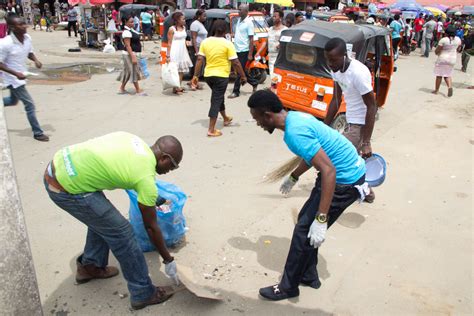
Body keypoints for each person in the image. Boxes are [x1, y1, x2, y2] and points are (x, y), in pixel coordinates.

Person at [248, 90, 366, 301]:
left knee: (304, 230)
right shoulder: (296, 117)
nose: (257, 124)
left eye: (257, 119)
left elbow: (329, 171)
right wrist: (293, 176)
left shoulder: (294, 133)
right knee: (305, 224)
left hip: (343, 181)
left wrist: (322, 219)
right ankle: (309, 275)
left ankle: (288, 287)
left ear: (267, 115)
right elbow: (313, 155)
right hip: (350, 172)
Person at [43, 132, 183, 310]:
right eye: (172, 166)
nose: (170, 171)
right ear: (164, 158)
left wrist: (151, 196)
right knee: (123, 233)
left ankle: (90, 266)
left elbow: (122, 171)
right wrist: (168, 259)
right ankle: (143, 293)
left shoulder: (134, 140)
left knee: (104, 219)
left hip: (60, 165)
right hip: (65, 188)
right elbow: (151, 227)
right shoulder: (144, 177)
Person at [192, 20, 247, 137]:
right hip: (221, 76)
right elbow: (236, 62)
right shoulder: (228, 44)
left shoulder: (205, 42)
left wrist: (195, 76)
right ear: (225, 31)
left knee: (218, 96)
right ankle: (211, 129)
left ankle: (226, 118)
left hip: (208, 76)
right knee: (216, 100)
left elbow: (200, 60)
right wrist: (243, 76)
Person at [0, 16, 49, 141]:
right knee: (30, 104)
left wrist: (36, 60)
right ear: (12, 27)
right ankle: (37, 132)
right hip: (12, 79)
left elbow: (29, 52)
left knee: (12, 101)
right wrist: (15, 73)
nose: (24, 26)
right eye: (20, 25)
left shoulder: (27, 38)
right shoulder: (6, 43)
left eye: (24, 24)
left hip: (22, 75)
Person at [228, 4, 258, 99]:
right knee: (241, 70)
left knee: (238, 70)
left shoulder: (249, 23)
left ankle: (236, 91)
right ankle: (254, 82)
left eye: (240, 10)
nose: (238, 11)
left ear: (246, 11)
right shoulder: (238, 21)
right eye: (238, 9)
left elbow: (251, 39)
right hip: (236, 49)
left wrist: (250, 53)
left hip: (244, 50)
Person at [167, 11, 193, 95]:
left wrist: (187, 43)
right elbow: (169, 43)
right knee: (175, 70)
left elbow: (183, 39)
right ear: (177, 20)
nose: (184, 20)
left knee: (181, 70)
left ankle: (178, 86)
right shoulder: (172, 29)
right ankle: (175, 87)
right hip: (174, 51)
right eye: (183, 19)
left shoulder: (184, 28)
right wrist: (167, 55)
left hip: (183, 51)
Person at [118, 16, 145, 96]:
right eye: (131, 22)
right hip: (129, 54)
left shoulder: (131, 30)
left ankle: (122, 88)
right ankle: (137, 89)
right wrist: (133, 57)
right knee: (133, 71)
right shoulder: (126, 32)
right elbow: (127, 45)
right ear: (126, 22)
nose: (133, 23)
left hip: (132, 53)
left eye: (133, 21)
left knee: (128, 72)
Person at [433, 25, 462, 97]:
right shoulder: (458, 39)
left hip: (443, 58)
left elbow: (437, 50)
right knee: (447, 75)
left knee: (439, 75)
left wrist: (437, 53)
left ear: (446, 33)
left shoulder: (444, 40)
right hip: (452, 59)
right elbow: (459, 49)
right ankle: (449, 87)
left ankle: (436, 90)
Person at [190, 9, 207, 90]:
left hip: (202, 48)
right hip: (198, 48)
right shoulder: (195, 24)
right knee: (197, 67)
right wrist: (196, 51)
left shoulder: (200, 24)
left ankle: (195, 82)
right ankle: (193, 83)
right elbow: (194, 37)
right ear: (199, 16)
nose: (205, 17)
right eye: (204, 16)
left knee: (200, 67)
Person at [268, 9, 287, 77]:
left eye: (275, 16)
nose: (273, 18)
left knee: (278, 77)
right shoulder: (270, 29)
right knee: (272, 75)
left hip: (280, 57)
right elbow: (265, 42)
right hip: (271, 56)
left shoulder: (285, 30)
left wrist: (280, 45)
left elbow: (287, 43)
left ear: (280, 18)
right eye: (273, 16)